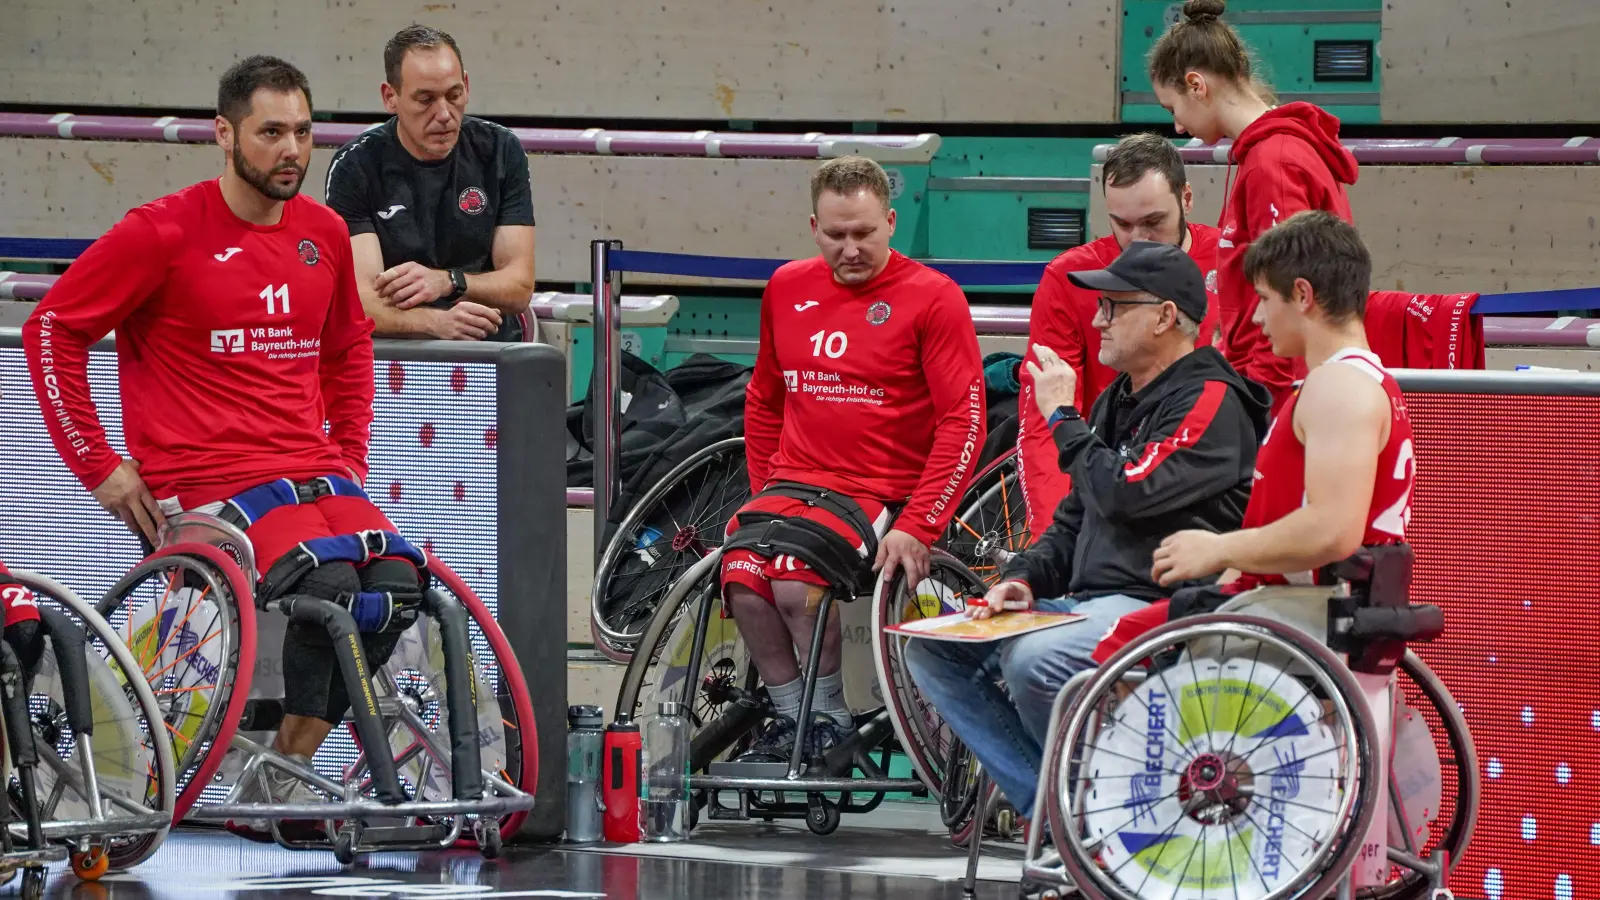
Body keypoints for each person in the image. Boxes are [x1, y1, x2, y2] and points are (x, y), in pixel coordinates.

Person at [21, 56, 419, 840]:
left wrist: (351, 457)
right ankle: (256, 776)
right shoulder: (162, 230)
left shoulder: (326, 232)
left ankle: (281, 771)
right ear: (224, 134)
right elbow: (51, 331)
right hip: (204, 482)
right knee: (332, 584)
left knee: (400, 587)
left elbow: (348, 352)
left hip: (309, 476)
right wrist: (98, 465)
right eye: (271, 133)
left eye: (303, 132)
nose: (292, 151)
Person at [905, 240, 1270, 824]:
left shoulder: (1212, 399)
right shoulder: (1117, 400)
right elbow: (1076, 517)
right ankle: (1058, 816)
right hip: (1087, 602)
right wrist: (1023, 578)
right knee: (933, 651)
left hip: (1164, 607)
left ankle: (1098, 818)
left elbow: (1128, 491)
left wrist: (1062, 419)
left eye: (1113, 307)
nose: (1097, 320)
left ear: (1165, 316)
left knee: (1032, 661)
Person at [727, 155, 985, 758]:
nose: (850, 249)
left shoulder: (933, 299)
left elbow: (964, 422)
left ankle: (831, 721)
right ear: (814, 227)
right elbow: (763, 399)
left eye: (864, 233)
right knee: (740, 576)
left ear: (891, 222)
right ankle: (793, 720)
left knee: (794, 582)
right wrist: (765, 488)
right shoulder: (787, 286)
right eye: (836, 234)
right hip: (792, 485)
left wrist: (920, 523)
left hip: (877, 492)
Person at [1095, 211, 1413, 661]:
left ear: (1302, 295)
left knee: (1109, 648)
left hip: (1296, 613)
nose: (1258, 317)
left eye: (1264, 298)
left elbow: (1332, 531)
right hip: (1302, 605)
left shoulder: (1338, 386)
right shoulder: (1363, 381)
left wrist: (1219, 549)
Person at [1148, 0, 1360, 416]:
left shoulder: (1273, 163)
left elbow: (1292, 294)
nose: (1177, 126)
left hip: (1274, 393)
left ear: (1197, 84)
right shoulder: (1270, 154)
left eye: (1172, 109)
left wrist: (1260, 400)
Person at [1017, 132, 1222, 537]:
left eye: (1153, 222)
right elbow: (1044, 416)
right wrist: (1051, 534)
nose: (1139, 239)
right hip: (1106, 476)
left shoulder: (1233, 259)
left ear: (1187, 199)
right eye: (1123, 225)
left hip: (1206, 478)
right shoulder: (1067, 278)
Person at [325, 24, 536, 342]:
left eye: (454, 96)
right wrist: (435, 322)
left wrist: (449, 282)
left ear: (466, 85)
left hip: (487, 348)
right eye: (425, 100)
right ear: (390, 97)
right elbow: (360, 301)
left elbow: (519, 286)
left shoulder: (501, 150)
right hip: (395, 356)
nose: (444, 114)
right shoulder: (355, 166)